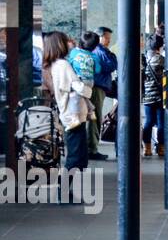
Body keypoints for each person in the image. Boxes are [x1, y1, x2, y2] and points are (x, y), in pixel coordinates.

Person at [43, 32, 91, 173]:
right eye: (67, 40)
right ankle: (62, 189)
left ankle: (68, 189)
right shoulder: (63, 64)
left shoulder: (56, 64)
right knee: (75, 157)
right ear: (60, 44)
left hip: (69, 114)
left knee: (78, 156)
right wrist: (89, 90)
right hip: (73, 115)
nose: (70, 43)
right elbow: (78, 86)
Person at [92, 27, 118, 158]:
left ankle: (92, 147)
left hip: (98, 85)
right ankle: (92, 149)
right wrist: (112, 55)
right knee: (95, 117)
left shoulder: (95, 49)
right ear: (99, 37)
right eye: (107, 38)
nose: (108, 41)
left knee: (94, 117)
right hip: (98, 86)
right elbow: (112, 65)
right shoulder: (100, 50)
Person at [141, 35, 165, 157]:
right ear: (160, 47)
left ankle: (147, 148)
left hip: (147, 97)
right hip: (160, 96)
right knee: (161, 122)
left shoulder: (144, 60)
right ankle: (161, 148)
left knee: (148, 122)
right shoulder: (162, 59)